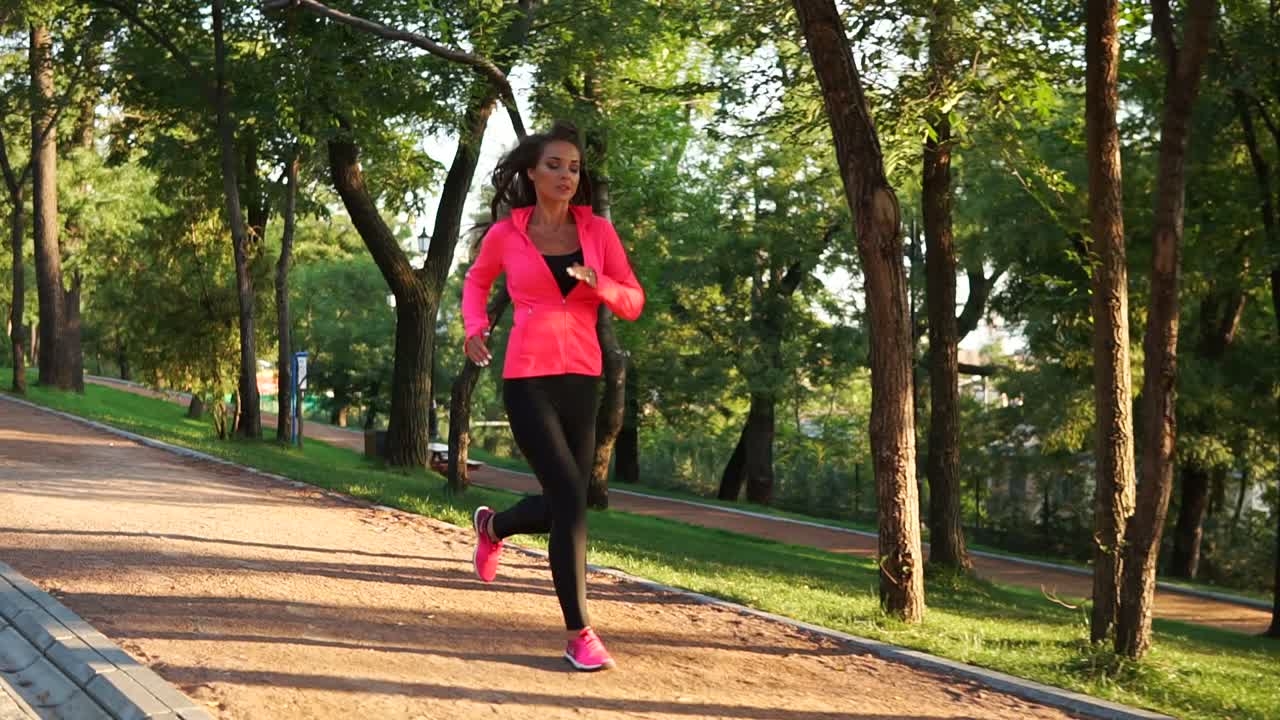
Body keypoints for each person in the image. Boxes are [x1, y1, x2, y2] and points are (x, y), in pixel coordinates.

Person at [461, 122, 645, 672]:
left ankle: (494, 527)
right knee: (569, 498)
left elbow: (633, 299)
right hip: (527, 376)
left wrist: (600, 285)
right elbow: (477, 282)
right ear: (531, 173)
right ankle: (579, 633)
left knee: (572, 500)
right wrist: (474, 326)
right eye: (555, 165)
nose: (567, 175)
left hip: (582, 376)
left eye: (574, 167)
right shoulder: (506, 234)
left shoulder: (599, 234)